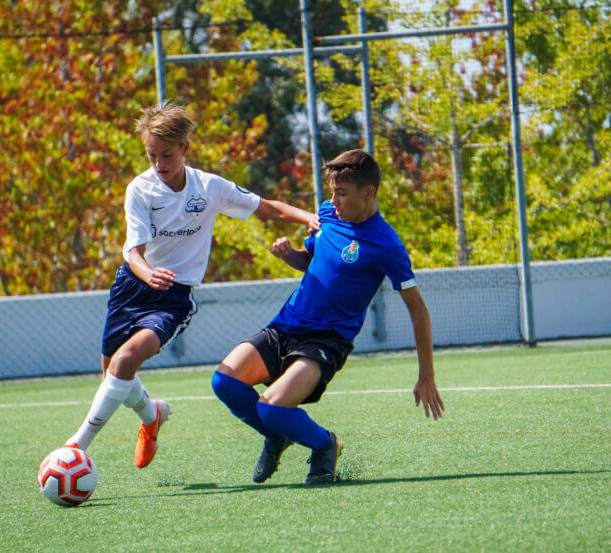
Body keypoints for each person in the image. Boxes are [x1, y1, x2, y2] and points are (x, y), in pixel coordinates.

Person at [65, 102, 318, 469]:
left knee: (125, 360)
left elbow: (268, 208)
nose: (158, 163)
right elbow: (133, 252)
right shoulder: (140, 189)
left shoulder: (209, 187)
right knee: (112, 376)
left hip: (172, 298)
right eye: (151, 154)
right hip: (132, 288)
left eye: (166, 154)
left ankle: (76, 447)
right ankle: (151, 414)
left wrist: (308, 217)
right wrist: (147, 273)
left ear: (184, 147)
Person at [211, 149, 444, 486]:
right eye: (332, 192)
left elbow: (418, 310)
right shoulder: (328, 215)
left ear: (369, 193)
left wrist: (426, 376)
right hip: (285, 326)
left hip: (324, 342)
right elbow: (313, 260)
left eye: (342, 193)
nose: (333, 201)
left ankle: (324, 445)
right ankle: (277, 435)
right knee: (224, 383)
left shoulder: (387, 245)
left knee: (271, 409)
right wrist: (290, 255)